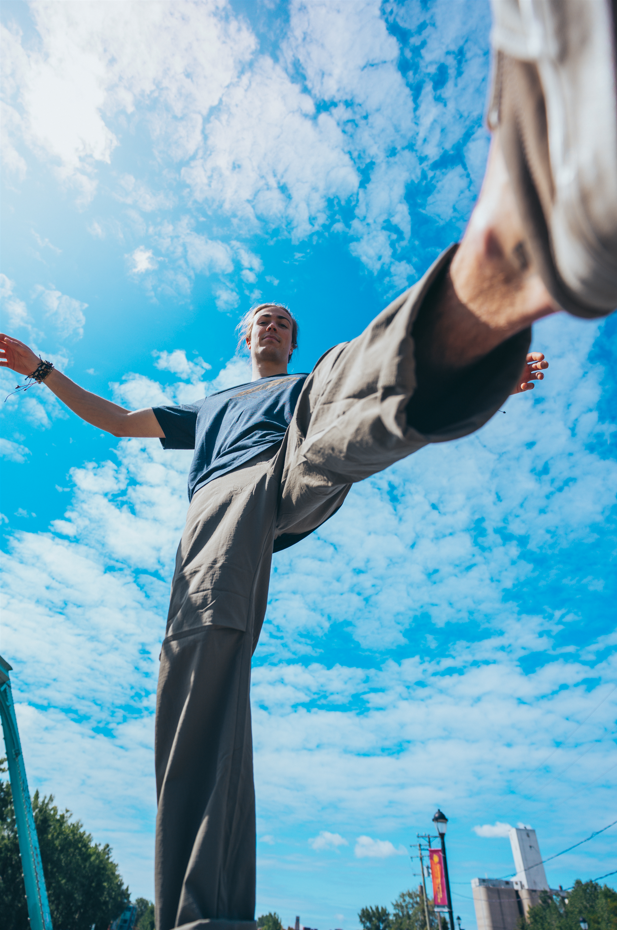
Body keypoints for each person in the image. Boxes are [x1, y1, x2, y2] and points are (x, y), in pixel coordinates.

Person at [1, 2, 616, 928]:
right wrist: (45, 371)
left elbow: (341, 402)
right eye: (267, 320)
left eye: (288, 320)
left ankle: (488, 279)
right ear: (244, 336)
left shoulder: (307, 379)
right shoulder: (207, 403)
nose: (279, 325)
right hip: (220, 509)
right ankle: (204, 910)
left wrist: (483, 368)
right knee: (198, 667)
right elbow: (116, 422)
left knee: (331, 416)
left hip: (295, 467)